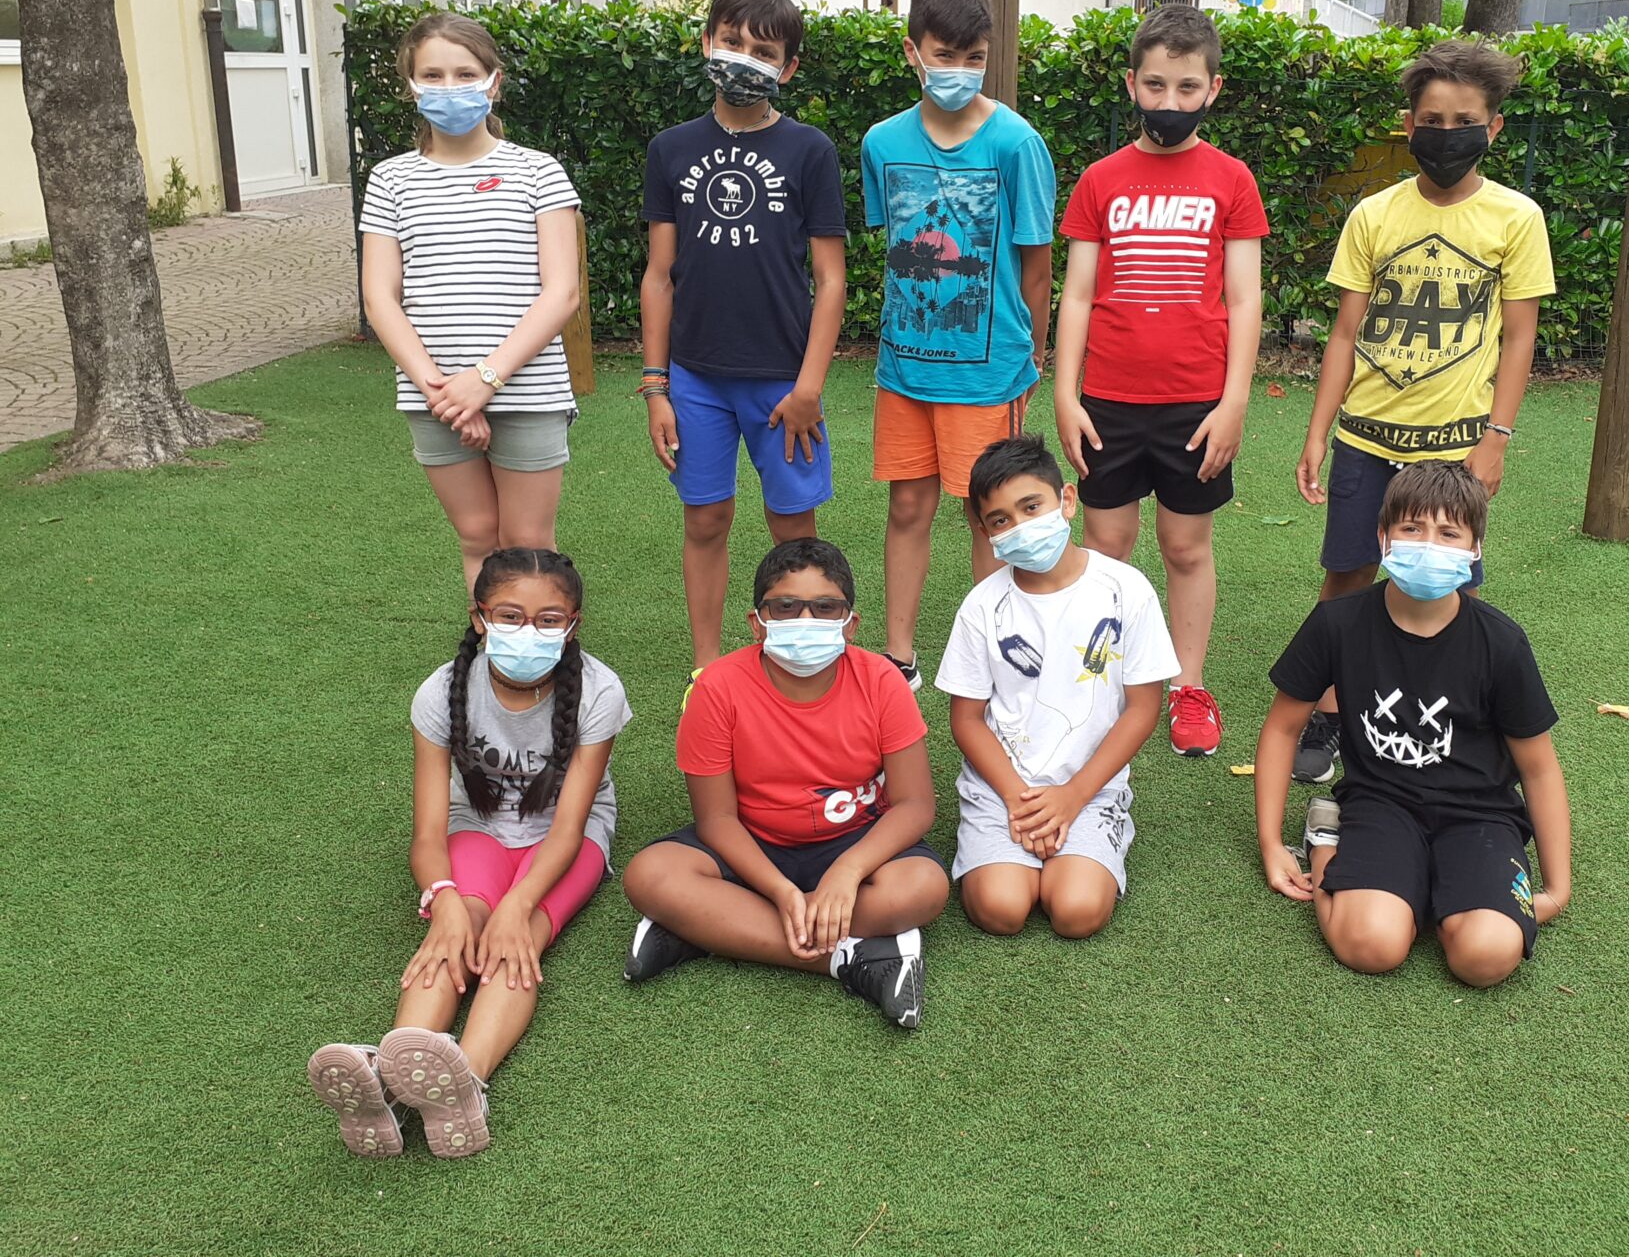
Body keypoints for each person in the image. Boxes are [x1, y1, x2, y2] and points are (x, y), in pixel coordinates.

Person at [306, 548, 632, 1157]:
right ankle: (388, 1079)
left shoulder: (599, 691)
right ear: (479, 618)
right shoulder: (441, 691)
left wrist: (519, 904)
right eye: (509, 616)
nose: (527, 631)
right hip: (475, 827)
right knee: (453, 936)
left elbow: (568, 828)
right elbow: (428, 836)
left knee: (519, 938)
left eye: (547, 620)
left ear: (572, 626)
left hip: (570, 838)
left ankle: (468, 1081)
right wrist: (447, 901)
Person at [1291, 38, 1554, 785]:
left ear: (1493, 127)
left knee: (1450, 582)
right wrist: (1317, 433)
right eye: (1432, 121)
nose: (1447, 135)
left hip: (1453, 446)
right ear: (1408, 125)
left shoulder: (1516, 217)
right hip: (1366, 437)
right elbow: (1345, 332)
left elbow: (1519, 336)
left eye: (1464, 121)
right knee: (1347, 572)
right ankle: (1331, 709)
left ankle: (1449, 712)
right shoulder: (1374, 214)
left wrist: (1496, 437)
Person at [1255, 462, 1570, 987]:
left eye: (1449, 534)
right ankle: (1326, 837)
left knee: (1487, 957)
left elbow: (1539, 768)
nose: (1429, 545)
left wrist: (1558, 889)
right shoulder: (1339, 623)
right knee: (1372, 945)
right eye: (1412, 528)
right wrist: (1270, 843)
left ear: (1475, 550)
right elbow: (1282, 729)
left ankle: (1428, 892)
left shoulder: (1501, 643)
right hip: (1381, 803)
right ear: (1383, 537)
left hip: (1479, 816)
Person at [1054, 4, 1267, 760]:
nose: (1169, 101)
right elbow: (1077, 295)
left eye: (1186, 87)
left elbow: (1245, 299)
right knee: (1106, 545)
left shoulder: (1232, 180)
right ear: (1130, 84)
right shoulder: (1100, 180)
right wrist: (1066, 395)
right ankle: (1105, 679)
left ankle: (1189, 687)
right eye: (1154, 85)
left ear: (1213, 88)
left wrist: (1234, 401)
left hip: (1196, 404)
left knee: (1184, 547)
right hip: (1109, 401)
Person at [621, 539, 949, 1029]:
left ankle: (706, 929)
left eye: (825, 608)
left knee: (923, 888)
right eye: (786, 607)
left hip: (855, 839)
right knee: (650, 875)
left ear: (850, 623)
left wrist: (847, 871)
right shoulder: (717, 687)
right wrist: (778, 890)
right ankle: (852, 959)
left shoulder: (881, 680)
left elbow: (915, 804)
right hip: (753, 843)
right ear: (757, 622)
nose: (805, 620)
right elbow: (717, 819)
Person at [640, 0, 848, 694]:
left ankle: (801, 652)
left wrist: (809, 388)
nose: (743, 59)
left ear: (788, 67)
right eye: (731, 42)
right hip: (696, 379)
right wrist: (657, 386)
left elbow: (831, 279)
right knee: (706, 520)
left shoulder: (810, 150)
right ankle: (708, 666)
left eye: (763, 51)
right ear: (707, 42)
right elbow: (659, 276)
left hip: (784, 382)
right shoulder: (671, 149)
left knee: (794, 528)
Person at [860, 0, 1059, 692]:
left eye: (974, 57)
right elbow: (895, 248)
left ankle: (994, 656)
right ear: (912, 51)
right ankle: (900, 654)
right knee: (907, 506)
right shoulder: (881, 143)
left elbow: (1037, 265)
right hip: (905, 368)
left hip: (989, 370)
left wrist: (1032, 355)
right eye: (944, 55)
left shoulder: (1016, 143)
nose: (958, 70)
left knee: (991, 517)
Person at [360, 13, 583, 596]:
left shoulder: (538, 172)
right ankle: (490, 647)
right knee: (478, 536)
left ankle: (546, 648)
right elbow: (380, 298)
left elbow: (562, 292)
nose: (449, 86)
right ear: (411, 85)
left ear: (493, 82)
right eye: (432, 75)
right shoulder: (389, 181)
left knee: (527, 542)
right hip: (432, 397)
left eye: (465, 73)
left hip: (528, 388)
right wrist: (444, 393)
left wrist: (485, 380)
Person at [936, 437, 1179, 940]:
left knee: (1077, 911)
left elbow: (1142, 709)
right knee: (1000, 908)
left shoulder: (1126, 590)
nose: (1020, 527)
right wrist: (1017, 799)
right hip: (1002, 787)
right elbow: (966, 719)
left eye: (1032, 507)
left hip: (1089, 787)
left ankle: (1092, 831)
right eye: (1000, 520)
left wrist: (1072, 797)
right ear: (984, 531)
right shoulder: (982, 606)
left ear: (1067, 500)